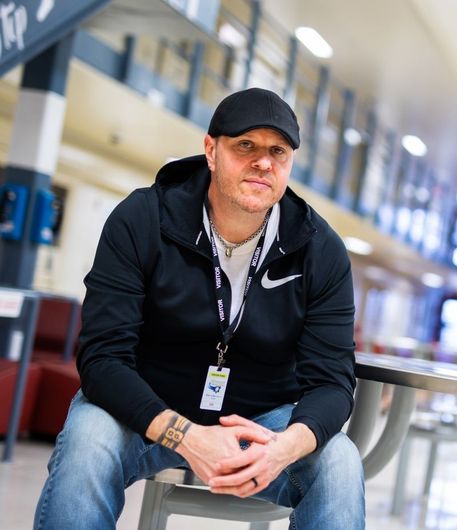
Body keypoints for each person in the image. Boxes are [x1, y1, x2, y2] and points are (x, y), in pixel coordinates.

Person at [34, 87, 365, 529]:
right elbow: (102, 358)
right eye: (245, 145)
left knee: (339, 461)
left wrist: (282, 448)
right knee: (88, 440)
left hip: (260, 423)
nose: (263, 162)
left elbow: (333, 382)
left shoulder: (320, 250)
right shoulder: (142, 218)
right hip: (145, 408)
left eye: (278, 151)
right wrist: (186, 436)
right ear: (211, 150)